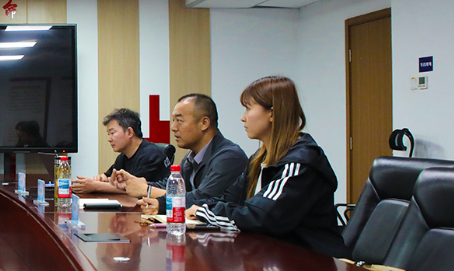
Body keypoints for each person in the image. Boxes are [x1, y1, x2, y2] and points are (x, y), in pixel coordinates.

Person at [189, 76, 349, 258]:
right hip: (276, 257)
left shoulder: (300, 162)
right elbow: (229, 199)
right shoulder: (259, 159)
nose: (242, 118)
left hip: (312, 262)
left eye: (248, 108)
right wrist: (195, 208)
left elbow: (261, 217)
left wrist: (204, 211)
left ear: (272, 114)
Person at [111, 94, 248, 215]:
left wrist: (147, 190)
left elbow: (202, 198)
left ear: (204, 123)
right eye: (173, 121)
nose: (173, 127)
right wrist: (136, 183)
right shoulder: (191, 156)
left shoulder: (229, 157)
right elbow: (173, 186)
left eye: (179, 121)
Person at [71, 108, 170, 195]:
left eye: (112, 133)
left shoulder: (151, 154)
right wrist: (99, 179)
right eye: (108, 134)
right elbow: (106, 176)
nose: (109, 139)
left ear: (129, 132)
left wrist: (95, 186)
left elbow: (134, 188)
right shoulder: (123, 157)